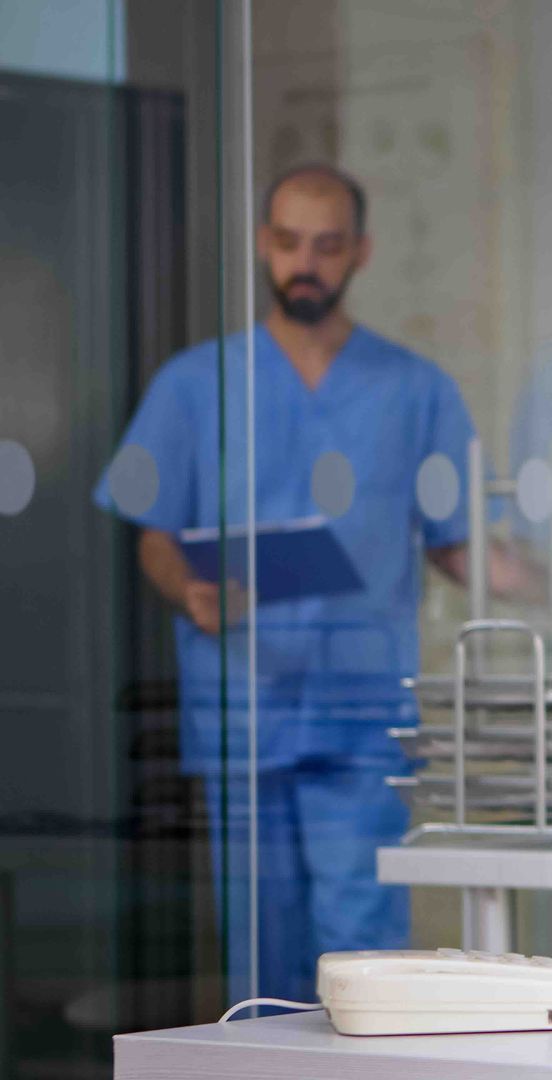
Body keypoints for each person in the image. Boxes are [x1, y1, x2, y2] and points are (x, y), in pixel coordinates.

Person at [93, 163, 510, 1003]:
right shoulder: (194, 384)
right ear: (262, 244)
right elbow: (153, 538)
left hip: (361, 713)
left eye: (326, 244)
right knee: (262, 955)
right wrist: (192, 591)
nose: (305, 263)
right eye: (288, 242)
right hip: (244, 705)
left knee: (366, 961)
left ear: (361, 251)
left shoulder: (415, 389)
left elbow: (458, 547)